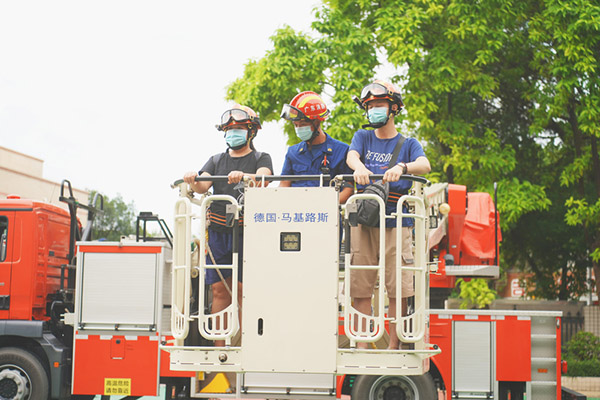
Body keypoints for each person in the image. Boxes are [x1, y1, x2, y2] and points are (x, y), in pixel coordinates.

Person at [346, 80, 431, 349]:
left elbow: (425, 165)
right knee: (361, 283)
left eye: (379, 105)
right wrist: (358, 167)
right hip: (364, 220)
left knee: (397, 287)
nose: (373, 111)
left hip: (396, 220)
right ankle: (361, 344)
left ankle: (393, 346)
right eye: (370, 107)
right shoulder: (363, 137)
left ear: (393, 108)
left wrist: (403, 167)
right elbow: (351, 156)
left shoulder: (408, 143)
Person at [183, 104, 273, 346]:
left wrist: (245, 177)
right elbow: (202, 185)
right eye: (230, 129)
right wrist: (193, 179)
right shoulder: (216, 160)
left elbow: (263, 179)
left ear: (251, 132)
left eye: (239, 128)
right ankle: (219, 345)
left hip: (247, 233)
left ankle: (246, 344)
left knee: (245, 289)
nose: (233, 133)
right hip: (218, 233)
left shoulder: (260, 158)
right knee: (219, 290)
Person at [279, 91, 353, 203]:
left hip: (328, 214)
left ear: (317, 121)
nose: (299, 128)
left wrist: (325, 206)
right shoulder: (292, 152)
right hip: (296, 213)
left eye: (303, 124)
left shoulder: (342, 151)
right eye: (296, 125)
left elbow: (348, 190)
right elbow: (283, 186)